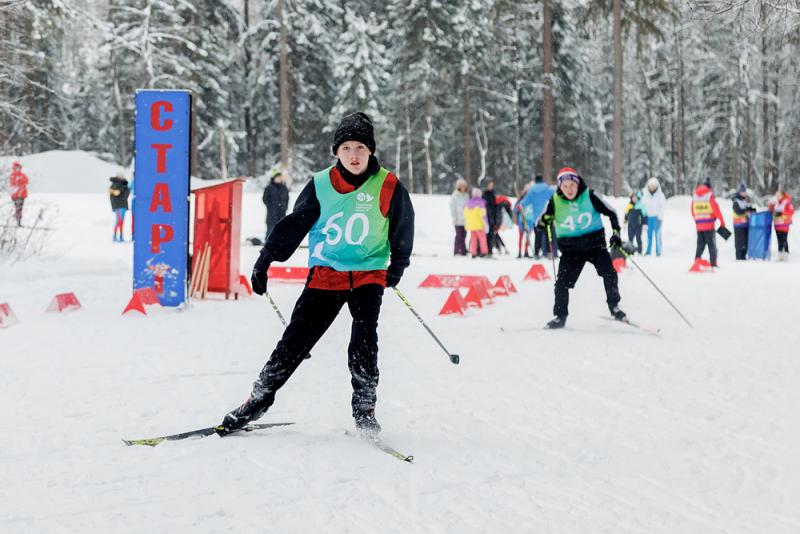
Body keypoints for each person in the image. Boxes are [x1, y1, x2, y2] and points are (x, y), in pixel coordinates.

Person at [216, 112, 413, 439]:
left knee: (364, 343)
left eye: (360, 148)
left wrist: (398, 265)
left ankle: (365, 410)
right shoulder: (321, 184)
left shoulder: (389, 184)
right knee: (295, 340)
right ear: (336, 151)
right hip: (327, 274)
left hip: (368, 275)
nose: (353, 155)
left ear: (371, 151)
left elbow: (403, 226)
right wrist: (266, 259)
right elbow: (294, 224)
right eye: (347, 147)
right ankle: (259, 397)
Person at [537, 168, 625, 329]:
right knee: (561, 283)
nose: (569, 189)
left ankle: (614, 307)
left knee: (609, 273)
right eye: (565, 186)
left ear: (578, 184)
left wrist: (616, 233)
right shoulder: (554, 201)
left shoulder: (590, 195)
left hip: (595, 246)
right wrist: (545, 221)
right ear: (560, 187)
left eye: (572, 185)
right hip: (571, 251)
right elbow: (540, 224)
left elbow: (611, 212)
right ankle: (560, 316)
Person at [691, 177, 726, 267]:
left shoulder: (695, 196)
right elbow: (716, 209)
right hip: (709, 225)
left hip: (699, 226)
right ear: (709, 187)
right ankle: (713, 264)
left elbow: (693, 211)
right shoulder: (709, 195)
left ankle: (696, 262)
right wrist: (721, 222)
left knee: (700, 245)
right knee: (712, 245)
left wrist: (697, 221)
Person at [520, 175, 556, 258]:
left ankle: (536, 253)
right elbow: (555, 196)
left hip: (537, 217)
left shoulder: (532, 191)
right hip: (547, 215)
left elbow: (525, 202)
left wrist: (521, 204)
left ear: (535, 181)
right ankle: (549, 252)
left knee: (538, 236)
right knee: (549, 235)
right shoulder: (547, 189)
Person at [640, 177, 666, 256]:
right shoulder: (645, 196)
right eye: (651, 185)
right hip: (648, 218)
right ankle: (648, 251)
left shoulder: (660, 196)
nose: (652, 187)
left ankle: (658, 251)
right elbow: (643, 207)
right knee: (649, 236)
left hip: (656, 218)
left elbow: (662, 207)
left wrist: (660, 217)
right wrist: (643, 219)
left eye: (654, 185)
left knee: (657, 235)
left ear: (657, 186)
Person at [263, 167, 290, 241]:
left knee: (281, 233)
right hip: (272, 215)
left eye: (280, 177)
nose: (279, 178)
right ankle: (267, 247)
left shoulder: (284, 188)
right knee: (270, 232)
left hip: (281, 214)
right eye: (277, 177)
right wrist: (271, 207)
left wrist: (285, 208)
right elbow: (265, 199)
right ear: (274, 178)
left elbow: (287, 199)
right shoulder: (269, 188)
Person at [731, 182, 756, 260]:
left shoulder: (744, 201)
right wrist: (746, 211)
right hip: (738, 226)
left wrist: (751, 210)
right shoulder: (736, 201)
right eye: (743, 192)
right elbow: (738, 211)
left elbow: (745, 209)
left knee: (745, 242)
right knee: (739, 243)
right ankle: (739, 257)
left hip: (745, 225)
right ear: (739, 192)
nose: (744, 193)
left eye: (745, 192)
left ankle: (743, 257)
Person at [769, 186, 794, 261]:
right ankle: (783, 253)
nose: (777, 197)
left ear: (782, 195)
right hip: (777, 225)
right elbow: (771, 210)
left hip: (784, 224)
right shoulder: (776, 202)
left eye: (779, 195)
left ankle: (783, 255)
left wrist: (782, 213)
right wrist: (771, 204)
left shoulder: (787, 202)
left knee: (783, 240)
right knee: (780, 240)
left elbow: (791, 211)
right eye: (776, 195)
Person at [464, 187, 489, 258]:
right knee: (482, 239)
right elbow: (483, 215)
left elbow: (465, 214)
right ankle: (484, 252)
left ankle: (473, 253)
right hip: (479, 225)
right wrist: (486, 224)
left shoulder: (468, 203)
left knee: (473, 240)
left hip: (471, 226)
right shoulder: (481, 203)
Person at [449, 179, 469, 255]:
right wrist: (454, 217)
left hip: (465, 219)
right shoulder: (455, 195)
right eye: (461, 186)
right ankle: (458, 250)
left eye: (464, 186)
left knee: (464, 235)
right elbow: (452, 207)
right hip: (458, 219)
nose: (463, 187)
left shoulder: (466, 195)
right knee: (459, 235)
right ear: (458, 186)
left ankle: (463, 249)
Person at [108, 174, 130, 241]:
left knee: (121, 222)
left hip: (123, 205)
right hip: (118, 206)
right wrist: (123, 189)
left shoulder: (124, 185)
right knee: (119, 221)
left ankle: (120, 237)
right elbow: (116, 193)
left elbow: (125, 194)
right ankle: (115, 237)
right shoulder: (115, 185)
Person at [513, 183, 532, 258]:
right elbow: (515, 209)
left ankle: (526, 252)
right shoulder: (520, 199)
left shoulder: (532, 199)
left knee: (527, 237)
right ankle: (519, 252)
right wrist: (518, 208)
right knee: (521, 237)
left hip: (529, 220)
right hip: (522, 220)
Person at [9, 161, 29, 227]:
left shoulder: (22, 175)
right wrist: (20, 182)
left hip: (21, 194)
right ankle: (17, 221)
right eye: (17, 167)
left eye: (19, 167)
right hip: (16, 195)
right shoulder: (13, 175)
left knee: (19, 208)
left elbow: (26, 180)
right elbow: (13, 184)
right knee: (18, 208)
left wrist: (21, 183)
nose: (19, 168)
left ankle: (18, 221)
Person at [481, 179, 498, 256]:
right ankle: (484, 251)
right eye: (490, 185)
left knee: (491, 235)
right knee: (485, 235)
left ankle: (490, 250)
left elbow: (494, 206)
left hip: (492, 217)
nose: (491, 186)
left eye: (492, 185)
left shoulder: (493, 193)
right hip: (486, 217)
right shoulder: (485, 194)